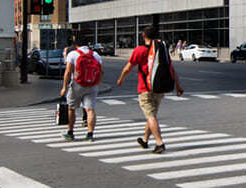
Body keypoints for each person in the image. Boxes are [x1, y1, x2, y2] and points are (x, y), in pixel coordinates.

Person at [113, 26, 184, 154]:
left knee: (151, 116)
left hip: (145, 89)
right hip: (159, 88)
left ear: (143, 36)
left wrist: (121, 79)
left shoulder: (139, 50)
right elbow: (171, 69)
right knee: (152, 115)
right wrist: (178, 85)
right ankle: (145, 140)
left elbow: (128, 68)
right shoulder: (161, 50)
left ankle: (159, 143)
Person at [62, 43, 105, 141]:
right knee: (90, 110)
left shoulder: (73, 54)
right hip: (92, 85)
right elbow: (101, 71)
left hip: (77, 84)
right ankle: (90, 134)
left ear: (77, 45)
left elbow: (68, 72)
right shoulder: (95, 55)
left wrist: (64, 87)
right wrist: (97, 82)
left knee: (72, 108)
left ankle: (70, 132)